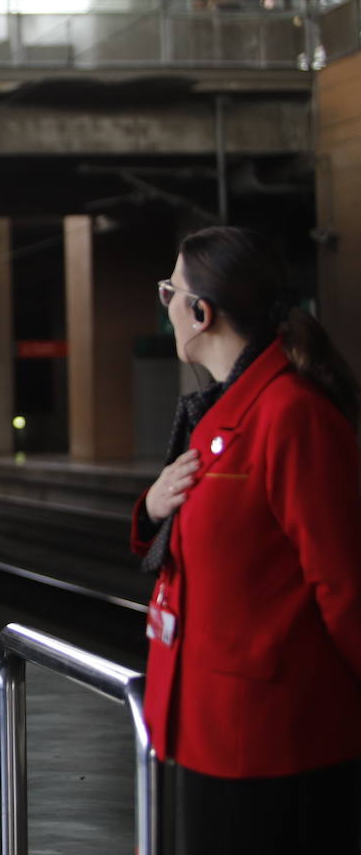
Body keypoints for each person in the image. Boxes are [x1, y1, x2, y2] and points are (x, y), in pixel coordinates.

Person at [132, 226, 361, 853]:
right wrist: (151, 508)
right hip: (208, 724)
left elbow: (345, 584)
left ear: (200, 313)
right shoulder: (224, 415)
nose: (167, 304)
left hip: (273, 740)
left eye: (169, 291)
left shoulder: (291, 415)